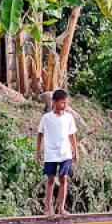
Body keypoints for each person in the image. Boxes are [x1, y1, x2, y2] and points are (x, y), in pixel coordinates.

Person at [36, 89, 78, 217]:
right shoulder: (46, 118)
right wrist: (38, 151)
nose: (64, 105)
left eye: (66, 103)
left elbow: (72, 136)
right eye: (62, 103)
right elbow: (40, 134)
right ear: (54, 102)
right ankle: (48, 208)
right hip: (51, 153)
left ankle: (61, 208)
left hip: (65, 152)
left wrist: (75, 152)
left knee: (64, 178)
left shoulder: (69, 117)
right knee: (50, 180)